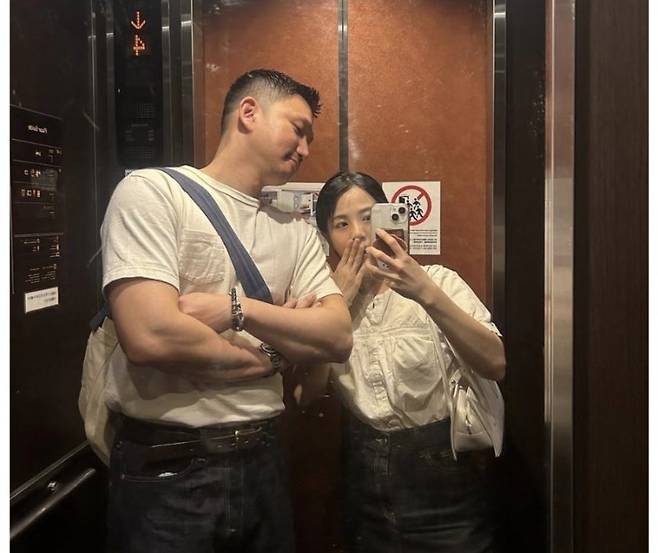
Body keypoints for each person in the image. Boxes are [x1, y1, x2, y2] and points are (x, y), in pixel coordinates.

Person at [101, 69, 352, 553]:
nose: (305, 149)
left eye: (310, 139)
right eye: (298, 129)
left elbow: (337, 337)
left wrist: (237, 309)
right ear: (249, 113)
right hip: (167, 465)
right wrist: (276, 355)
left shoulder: (296, 231)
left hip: (265, 457)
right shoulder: (155, 192)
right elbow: (151, 335)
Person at [305, 171, 506, 553]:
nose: (359, 234)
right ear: (327, 236)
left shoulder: (438, 281)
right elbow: (307, 395)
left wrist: (424, 292)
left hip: (444, 479)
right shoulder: (323, 306)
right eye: (341, 224)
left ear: (390, 217)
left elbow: (495, 363)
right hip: (364, 482)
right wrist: (337, 306)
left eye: (368, 217)